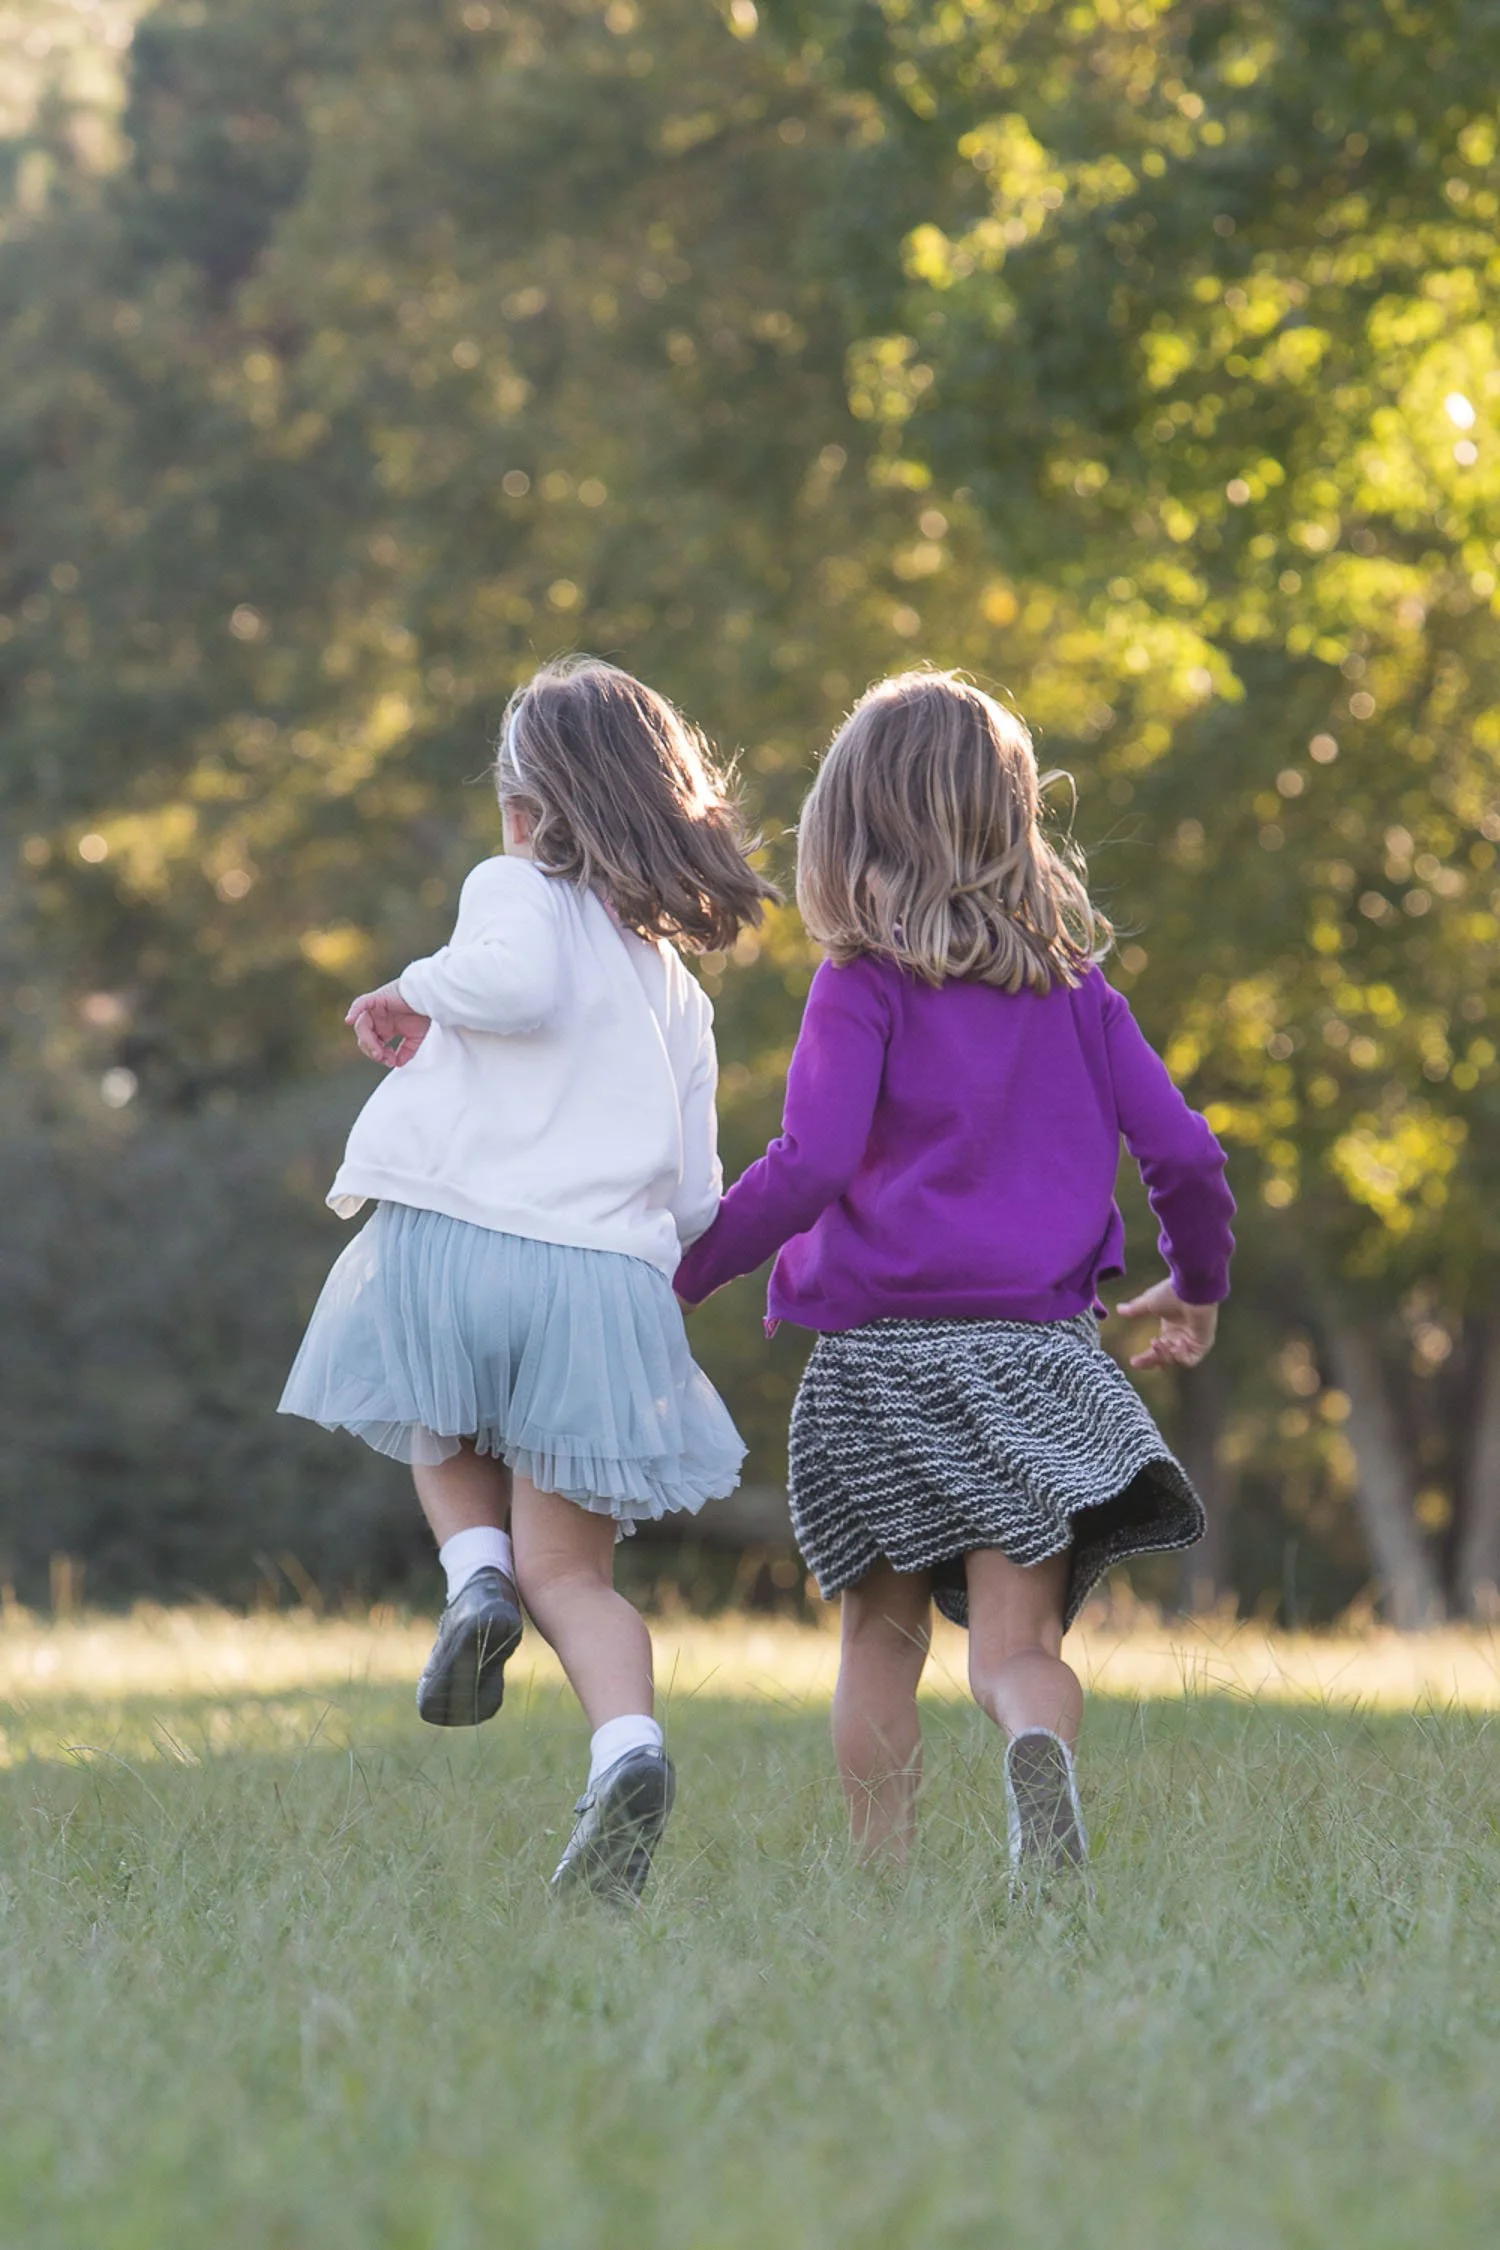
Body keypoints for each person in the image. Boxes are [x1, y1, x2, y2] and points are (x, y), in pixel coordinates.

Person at [675, 671, 1234, 1876]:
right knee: (1014, 1650)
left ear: (848, 829)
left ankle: (884, 1881)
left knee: (878, 1644)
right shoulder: (1080, 995)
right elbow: (1185, 1151)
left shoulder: (860, 983)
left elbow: (808, 1162)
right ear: (1014, 818)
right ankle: (1037, 1738)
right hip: (1035, 1362)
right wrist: (1196, 1281)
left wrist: (683, 1276)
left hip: (877, 1371)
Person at [281, 657, 774, 1902]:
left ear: (524, 806)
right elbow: (697, 1192)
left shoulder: (507, 888)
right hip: (599, 1283)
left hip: (457, 1243)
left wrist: (409, 986)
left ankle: (469, 1578)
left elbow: (512, 984)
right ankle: (628, 1751)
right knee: (580, 1580)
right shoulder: (678, 986)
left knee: (434, 1416)